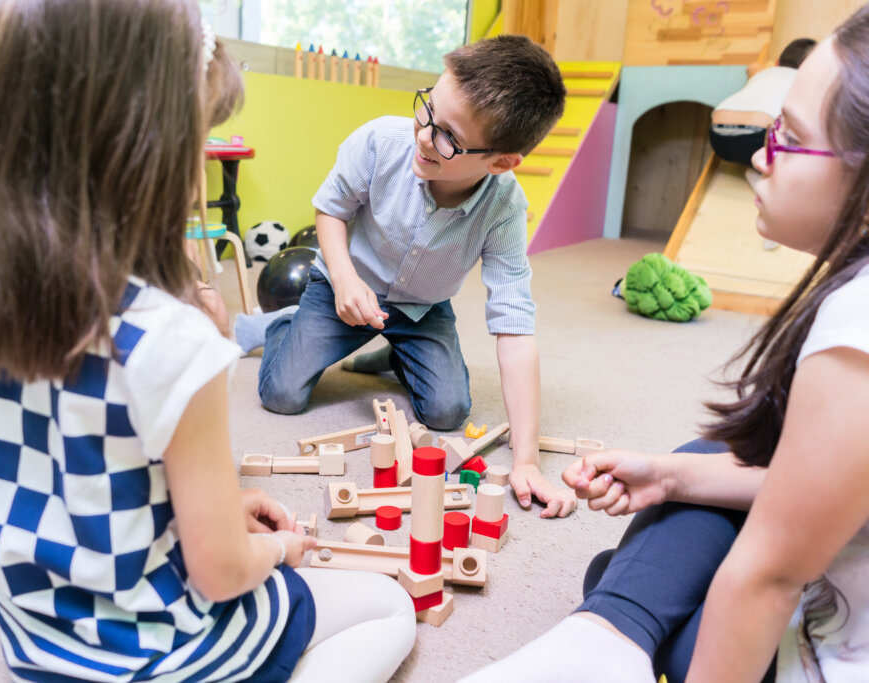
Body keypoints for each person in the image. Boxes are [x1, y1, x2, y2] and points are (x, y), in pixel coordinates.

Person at [0, 1, 415, 680]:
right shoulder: (174, 337)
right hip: (160, 652)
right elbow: (220, 572)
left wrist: (212, 504)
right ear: (148, 151)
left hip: (38, 642)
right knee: (387, 606)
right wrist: (279, 549)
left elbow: (78, 471)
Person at [463, 7, 869, 682]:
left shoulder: (857, 323)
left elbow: (769, 576)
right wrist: (671, 475)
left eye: (789, 137)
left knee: (660, 587)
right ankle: (613, 627)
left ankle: (615, 625)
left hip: (825, 651)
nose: (762, 153)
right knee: (701, 462)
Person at [240, 35, 577, 517]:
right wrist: (343, 278)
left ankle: (397, 353)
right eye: (427, 111)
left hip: (422, 307)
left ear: (501, 162)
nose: (423, 135)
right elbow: (329, 210)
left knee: (447, 413)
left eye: (448, 137)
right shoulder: (380, 141)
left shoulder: (505, 208)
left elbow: (515, 324)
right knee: (281, 396)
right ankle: (281, 327)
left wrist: (526, 459)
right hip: (343, 285)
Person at [709, 37, 816, 168]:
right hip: (757, 140)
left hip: (717, 137)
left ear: (777, 63)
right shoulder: (804, 81)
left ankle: (760, 168)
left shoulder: (763, 73)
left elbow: (752, 67)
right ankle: (765, 172)